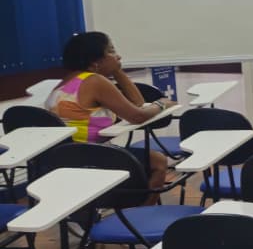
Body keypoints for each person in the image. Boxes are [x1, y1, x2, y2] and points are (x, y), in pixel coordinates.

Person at [47, 32, 176, 191]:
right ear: (95, 61)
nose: (118, 56)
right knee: (158, 162)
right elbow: (138, 115)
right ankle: (139, 211)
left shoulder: (68, 82)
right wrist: (161, 103)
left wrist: (116, 70)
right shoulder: (94, 81)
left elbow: (138, 103)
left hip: (66, 158)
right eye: (111, 51)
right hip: (89, 156)